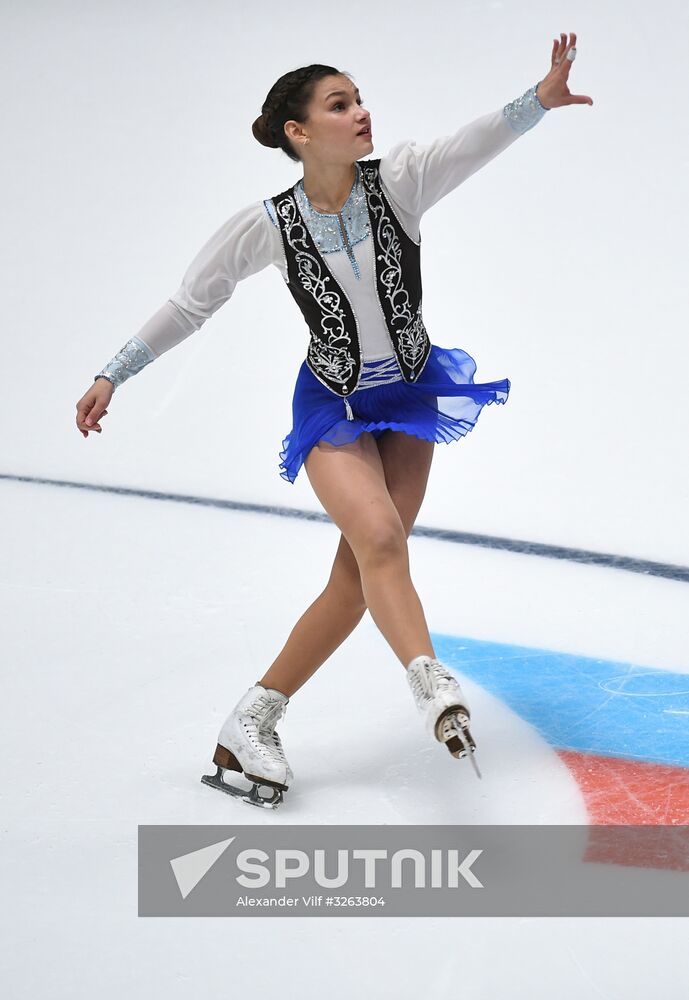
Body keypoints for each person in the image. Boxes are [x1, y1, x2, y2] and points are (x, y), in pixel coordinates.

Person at [75, 34, 592, 808]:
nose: (360, 113)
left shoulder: (403, 182)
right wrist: (114, 370)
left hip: (410, 398)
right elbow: (192, 301)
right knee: (379, 541)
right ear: (299, 131)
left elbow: (472, 144)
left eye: (359, 99)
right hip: (334, 406)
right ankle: (428, 680)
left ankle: (253, 718)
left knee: (358, 575)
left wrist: (536, 102)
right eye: (340, 104)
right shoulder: (266, 225)